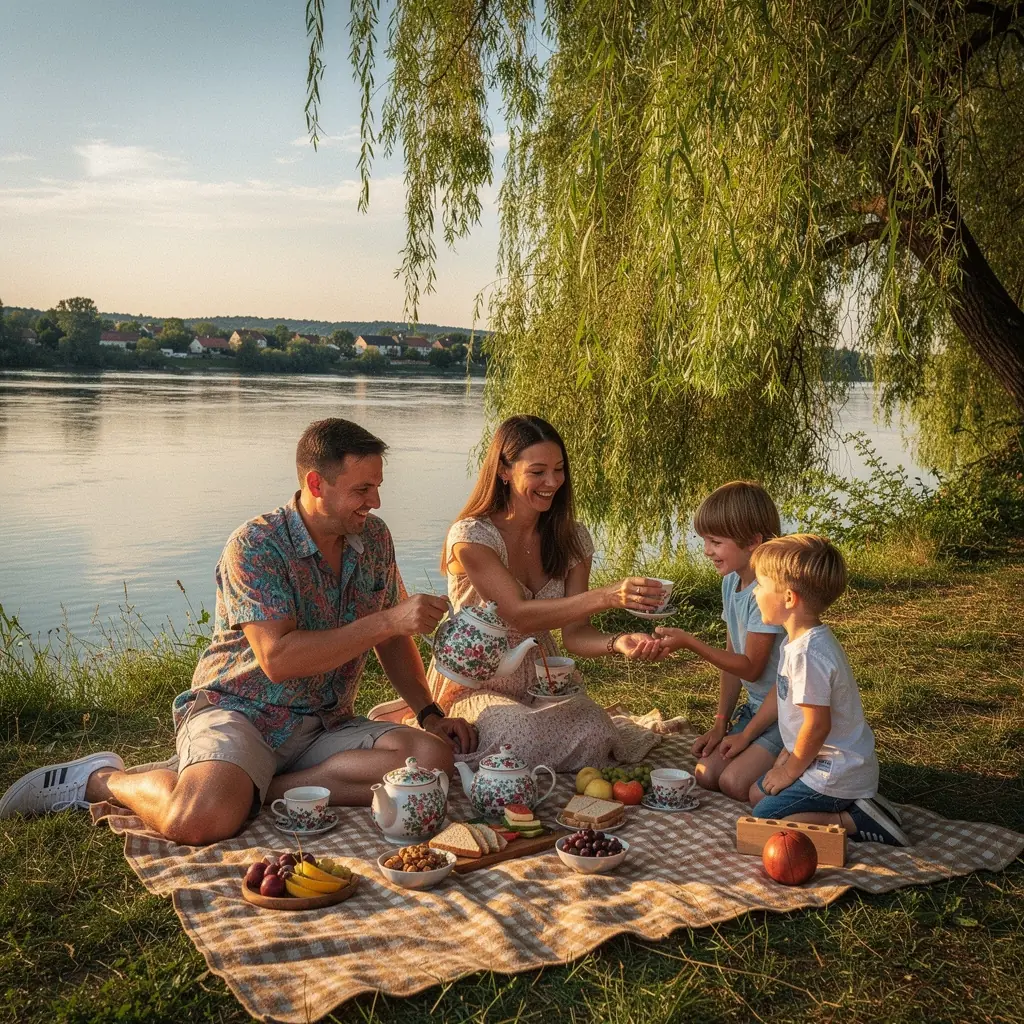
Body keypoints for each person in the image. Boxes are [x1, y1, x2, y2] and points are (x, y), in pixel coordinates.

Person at [0, 418, 476, 844]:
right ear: (316, 483)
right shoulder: (256, 545)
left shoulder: (374, 539)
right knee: (197, 821)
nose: (375, 501)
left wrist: (429, 713)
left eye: (377, 486)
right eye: (362, 489)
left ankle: (253, 788)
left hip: (325, 724)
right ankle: (100, 780)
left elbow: (392, 639)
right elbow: (279, 658)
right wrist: (388, 620)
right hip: (241, 713)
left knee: (430, 760)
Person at [420, 414, 672, 771]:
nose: (552, 482)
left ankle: (530, 749)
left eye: (559, 469)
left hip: (546, 681)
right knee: (517, 735)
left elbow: (576, 634)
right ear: (504, 471)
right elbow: (517, 614)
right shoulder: (471, 536)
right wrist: (609, 596)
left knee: (598, 731)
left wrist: (618, 642)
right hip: (474, 681)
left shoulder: (572, 539)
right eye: (537, 472)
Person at [742, 534, 908, 844]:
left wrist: (789, 771)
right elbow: (792, 704)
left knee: (764, 821)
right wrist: (788, 756)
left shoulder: (808, 654)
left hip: (835, 772)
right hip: (820, 761)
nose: (755, 592)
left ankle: (854, 819)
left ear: (789, 598)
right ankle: (861, 805)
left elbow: (817, 726)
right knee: (756, 795)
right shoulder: (798, 641)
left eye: (761, 585)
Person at [655, 482, 787, 801]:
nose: (706, 550)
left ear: (753, 541)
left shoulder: (767, 593)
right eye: (705, 540)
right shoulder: (731, 582)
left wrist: (691, 643)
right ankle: (759, 751)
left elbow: (751, 668)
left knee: (734, 783)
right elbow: (732, 660)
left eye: (715, 542)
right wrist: (720, 723)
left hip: (785, 713)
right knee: (706, 774)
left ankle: (802, 764)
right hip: (755, 710)